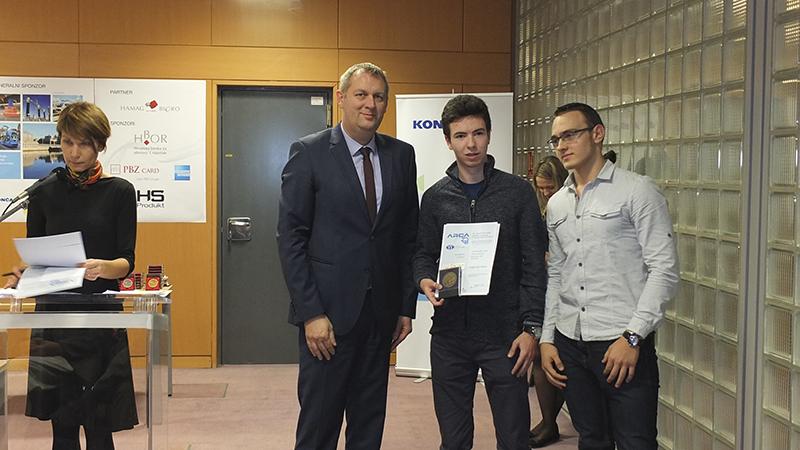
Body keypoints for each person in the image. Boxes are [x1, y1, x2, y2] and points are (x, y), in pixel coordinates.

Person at [276, 62, 419, 450]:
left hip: (380, 318)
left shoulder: (401, 155)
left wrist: (404, 307)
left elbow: (407, 237)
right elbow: (291, 239)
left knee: (368, 427)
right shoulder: (309, 152)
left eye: (379, 96)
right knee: (319, 428)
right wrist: (311, 313)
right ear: (341, 98)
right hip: (327, 320)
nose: (370, 104)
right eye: (361, 94)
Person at [540, 102, 679, 450]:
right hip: (571, 342)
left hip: (621, 342)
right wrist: (547, 338)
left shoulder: (637, 190)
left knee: (636, 442)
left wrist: (633, 337)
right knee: (591, 440)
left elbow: (664, 269)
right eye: (556, 139)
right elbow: (556, 274)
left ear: (598, 134)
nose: (562, 146)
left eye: (570, 135)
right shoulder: (557, 204)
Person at [413, 94, 547, 450]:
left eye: (478, 133)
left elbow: (534, 265)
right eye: (460, 135)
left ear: (489, 135)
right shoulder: (435, 198)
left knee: (514, 438)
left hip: (505, 335)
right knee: (454, 440)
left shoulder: (518, 193)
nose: (470, 144)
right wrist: (423, 279)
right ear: (448, 141)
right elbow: (423, 254)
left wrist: (531, 328)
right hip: (450, 335)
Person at [4, 101, 138, 449]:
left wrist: (104, 267)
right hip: (55, 315)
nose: (74, 153)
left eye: (83, 144)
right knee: (62, 427)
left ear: (100, 145)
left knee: (99, 426)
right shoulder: (43, 191)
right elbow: (37, 254)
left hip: (99, 315)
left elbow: (126, 260)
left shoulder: (120, 192)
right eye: (67, 142)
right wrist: (22, 273)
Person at [528, 155, 568, 448]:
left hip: (567, 292)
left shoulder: (568, 206)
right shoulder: (544, 209)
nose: (545, 193)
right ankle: (547, 421)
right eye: (541, 188)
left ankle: (549, 423)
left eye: (550, 187)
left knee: (554, 361)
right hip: (545, 289)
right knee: (541, 359)